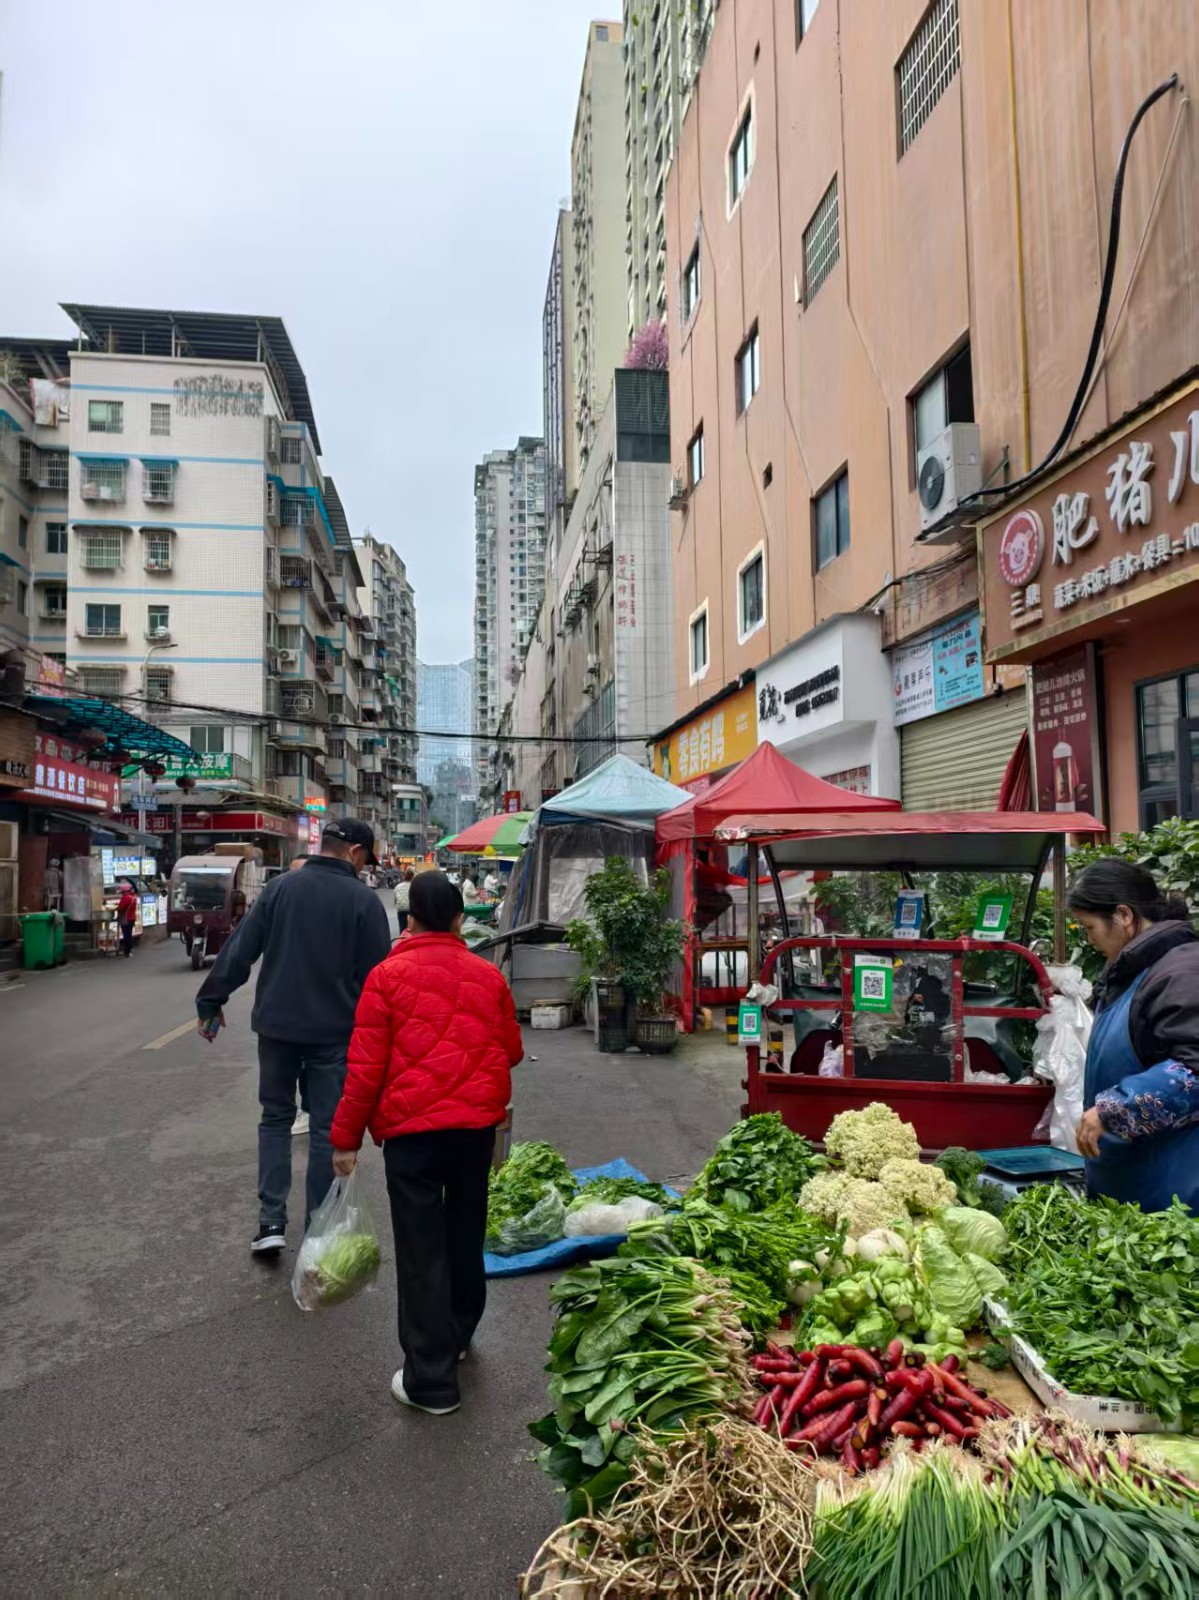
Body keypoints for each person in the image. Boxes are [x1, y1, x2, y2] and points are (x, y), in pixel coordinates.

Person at [331, 871, 524, 1415]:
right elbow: (511, 1050)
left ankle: (432, 1382)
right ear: (460, 919)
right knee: (464, 1234)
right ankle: (458, 1335)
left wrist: (345, 1139)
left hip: (411, 1137)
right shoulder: (487, 976)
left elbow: (364, 1069)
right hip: (473, 1133)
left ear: (410, 919)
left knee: (421, 1249)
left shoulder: (385, 977)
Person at [195, 818, 392, 1255]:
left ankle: (270, 1223)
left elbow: (241, 949)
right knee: (324, 1129)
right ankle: (318, 1232)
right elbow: (379, 979)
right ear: (355, 852)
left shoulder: (281, 888)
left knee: (275, 1118)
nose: (364, 867)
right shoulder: (363, 900)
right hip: (334, 1034)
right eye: (366, 859)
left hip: (277, 1028)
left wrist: (211, 1000)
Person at [1068, 859, 1199, 1215]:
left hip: (1173, 1198)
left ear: (1124, 915)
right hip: (1128, 1186)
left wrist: (1112, 1110)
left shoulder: (1181, 972)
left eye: (1090, 927)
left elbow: (1194, 1069)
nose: (1089, 939)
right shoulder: (1130, 969)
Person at [116, 880, 139, 957]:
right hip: (132, 918)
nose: (122, 894)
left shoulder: (126, 898)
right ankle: (129, 951)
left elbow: (120, 907)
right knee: (129, 934)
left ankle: (127, 951)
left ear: (125, 891)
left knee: (126, 935)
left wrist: (117, 907)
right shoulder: (133, 897)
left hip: (126, 918)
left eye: (122, 892)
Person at [393, 867, 414, 933]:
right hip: (411, 909)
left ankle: (402, 936)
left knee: (402, 927)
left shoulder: (398, 886)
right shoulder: (414, 886)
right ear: (412, 877)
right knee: (411, 928)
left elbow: (395, 899)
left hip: (401, 909)